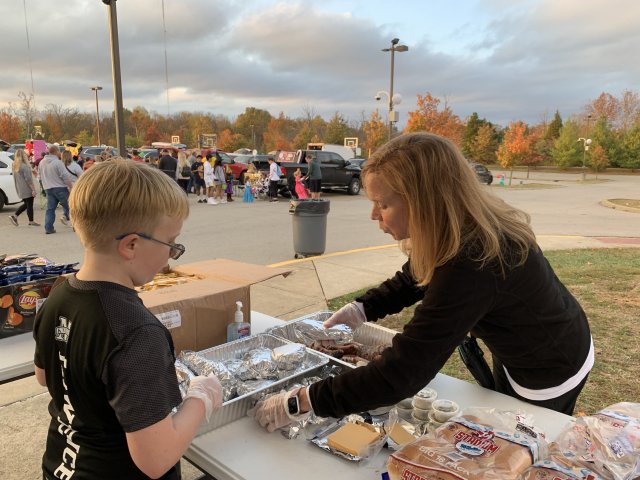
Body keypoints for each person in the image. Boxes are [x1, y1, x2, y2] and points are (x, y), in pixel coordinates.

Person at [251, 133, 593, 432]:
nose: (374, 215)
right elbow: (414, 276)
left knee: (523, 442)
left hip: (550, 367)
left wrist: (302, 400)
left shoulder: (473, 262)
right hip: (526, 342)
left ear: (424, 203)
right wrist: (363, 307)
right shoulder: (457, 229)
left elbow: (404, 371)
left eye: (383, 204)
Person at [33, 159, 223, 479]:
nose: (171, 255)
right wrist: (201, 398)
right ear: (131, 245)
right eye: (171, 244)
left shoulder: (58, 295)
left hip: (61, 467)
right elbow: (156, 459)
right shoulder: (136, 332)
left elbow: (45, 375)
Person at [38, 144, 74, 234]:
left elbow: (39, 177)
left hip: (48, 189)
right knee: (71, 207)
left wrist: (44, 187)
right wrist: (71, 187)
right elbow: (65, 176)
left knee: (50, 209)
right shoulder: (58, 162)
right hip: (60, 188)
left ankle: (49, 228)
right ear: (56, 151)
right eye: (59, 151)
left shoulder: (41, 162)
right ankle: (76, 226)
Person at [9, 148, 40, 227]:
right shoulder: (24, 166)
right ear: (24, 156)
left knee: (27, 204)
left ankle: (15, 216)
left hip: (20, 187)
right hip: (27, 188)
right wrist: (33, 189)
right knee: (29, 204)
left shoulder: (14, 165)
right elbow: (28, 180)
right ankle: (30, 221)